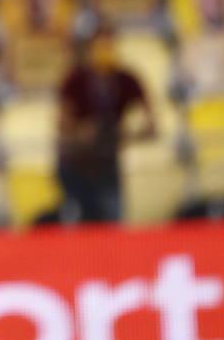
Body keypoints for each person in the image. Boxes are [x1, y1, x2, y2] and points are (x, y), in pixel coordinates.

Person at [57, 27, 155, 223]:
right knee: (84, 219)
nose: (104, 51)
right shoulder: (76, 79)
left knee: (112, 219)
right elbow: (62, 124)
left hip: (109, 158)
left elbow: (150, 123)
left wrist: (128, 135)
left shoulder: (126, 79)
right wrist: (82, 131)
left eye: (108, 46)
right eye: (99, 46)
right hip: (79, 162)